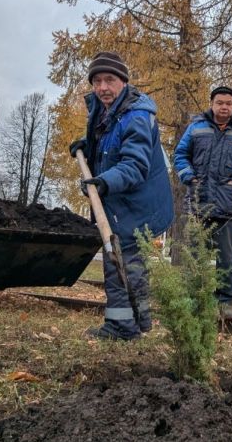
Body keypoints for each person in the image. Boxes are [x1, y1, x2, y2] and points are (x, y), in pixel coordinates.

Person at [69, 51, 173, 341]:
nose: (102, 87)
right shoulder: (104, 109)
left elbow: (134, 165)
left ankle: (122, 328)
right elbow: (107, 149)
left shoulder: (137, 116)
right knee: (125, 261)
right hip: (121, 198)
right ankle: (138, 323)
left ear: (123, 82)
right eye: (97, 81)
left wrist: (103, 182)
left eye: (109, 80)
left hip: (137, 201)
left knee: (120, 260)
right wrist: (86, 146)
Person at [173, 85, 232, 307]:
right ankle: (193, 300)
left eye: (229, 103)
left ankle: (224, 303)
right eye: (220, 103)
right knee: (193, 254)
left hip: (229, 203)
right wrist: (189, 178)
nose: (224, 107)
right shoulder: (196, 127)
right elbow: (181, 154)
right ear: (212, 104)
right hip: (197, 203)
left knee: (227, 258)